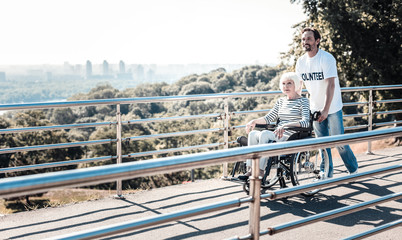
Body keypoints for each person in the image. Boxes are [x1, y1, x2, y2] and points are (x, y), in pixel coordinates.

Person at [295, 27, 358, 178]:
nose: (305, 42)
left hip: (332, 107)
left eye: (309, 39)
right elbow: (299, 87)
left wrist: (326, 110)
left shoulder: (327, 58)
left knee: (338, 142)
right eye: (303, 39)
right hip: (314, 107)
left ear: (317, 41)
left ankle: (353, 169)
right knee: (322, 144)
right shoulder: (301, 62)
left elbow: (331, 85)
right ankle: (327, 172)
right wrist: (300, 108)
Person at [238, 72, 310, 180]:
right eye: (284, 83)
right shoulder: (280, 101)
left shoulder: (303, 101)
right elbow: (268, 118)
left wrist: (285, 126)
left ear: (296, 84)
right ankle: (251, 169)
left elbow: (306, 122)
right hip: (277, 134)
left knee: (265, 135)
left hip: (290, 136)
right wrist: (254, 121)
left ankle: (261, 171)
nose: (286, 86)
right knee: (253, 134)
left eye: (289, 83)